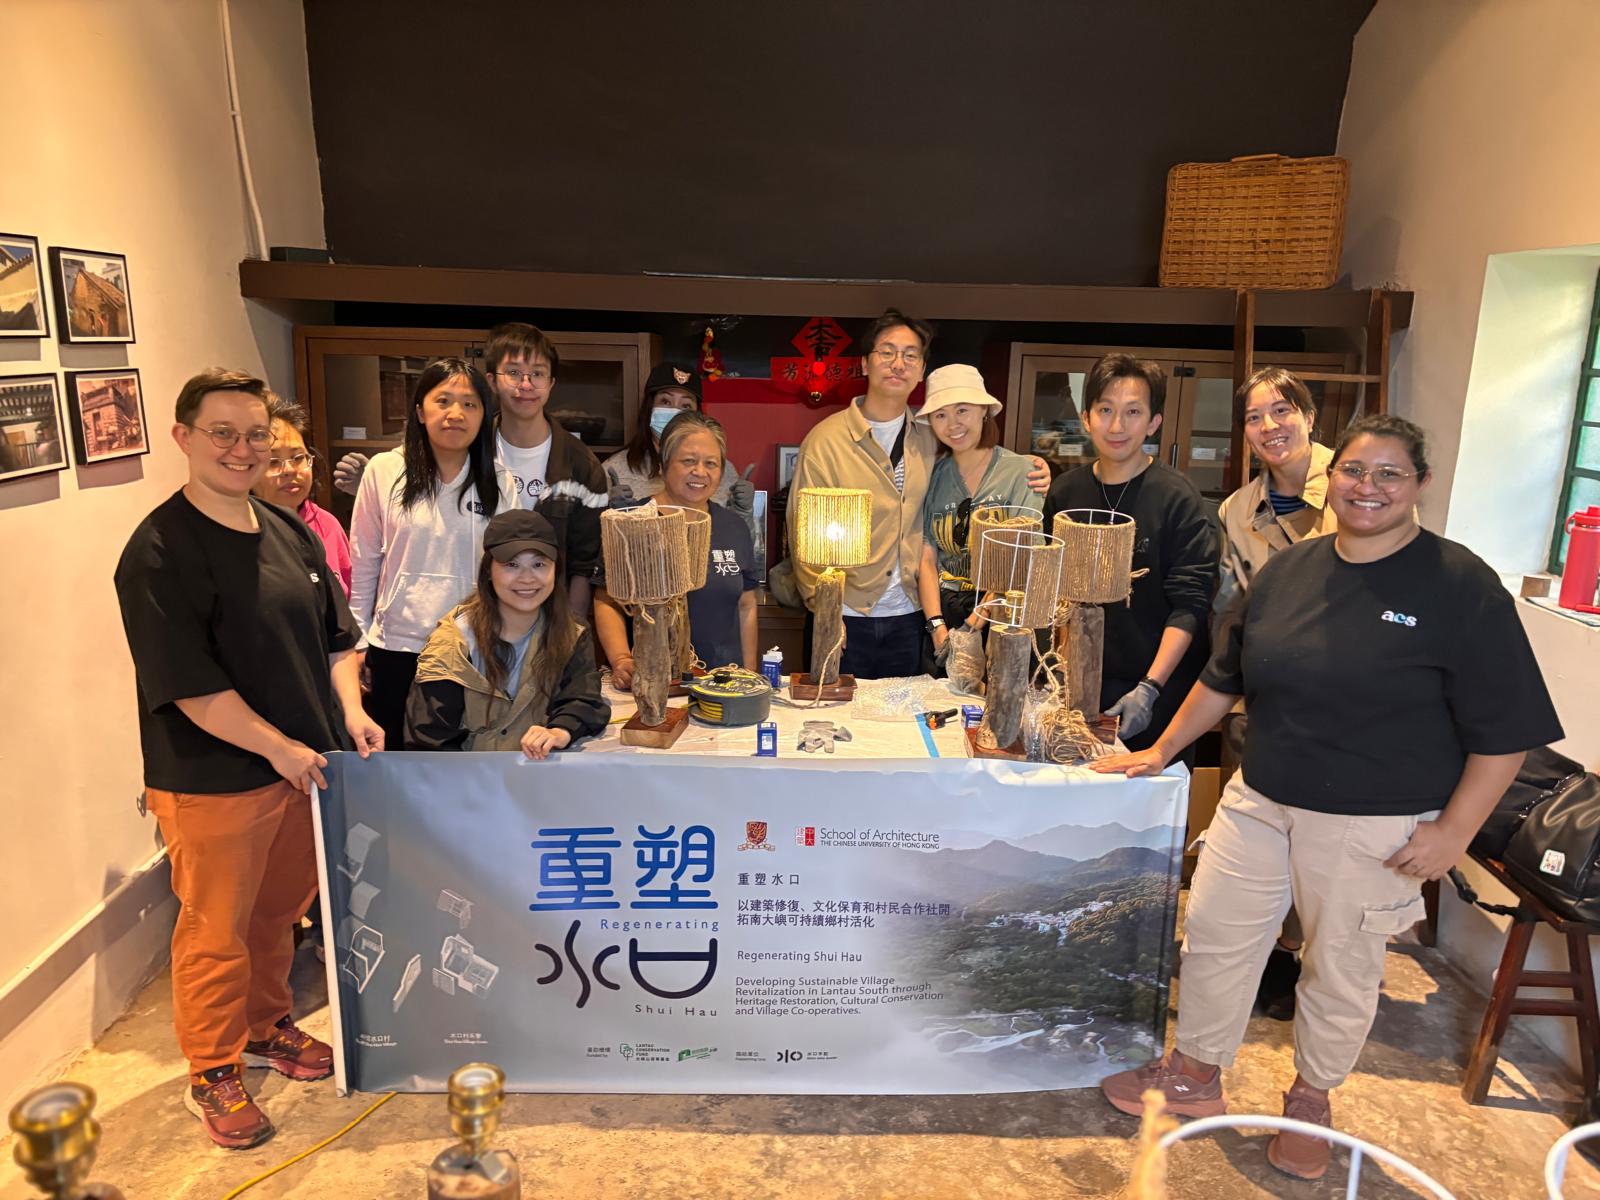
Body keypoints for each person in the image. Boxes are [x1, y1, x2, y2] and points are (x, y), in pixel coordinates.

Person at [1093, 415, 1563, 1181]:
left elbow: (1505, 732)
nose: (1367, 488)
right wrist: (1158, 750)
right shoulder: (1291, 569)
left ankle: (1311, 1100)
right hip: (1260, 797)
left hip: (1372, 820)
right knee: (1214, 934)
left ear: (1420, 486)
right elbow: (1224, 679)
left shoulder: (1459, 586)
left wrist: (1453, 832)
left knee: (1339, 966)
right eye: (1354, 470)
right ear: (1329, 475)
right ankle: (1194, 1074)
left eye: (1388, 475)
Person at [113, 368, 382, 1150]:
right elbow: (193, 690)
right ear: (184, 438)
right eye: (223, 433)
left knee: (279, 917)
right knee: (215, 929)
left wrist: (352, 711)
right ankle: (212, 1068)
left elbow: (338, 638)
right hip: (215, 780)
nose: (242, 448)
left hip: (305, 768)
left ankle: (268, 1026)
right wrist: (282, 748)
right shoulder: (159, 552)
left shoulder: (287, 528)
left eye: (256, 434)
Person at [787, 309, 1049, 679]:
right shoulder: (826, 441)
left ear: (921, 369)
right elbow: (802, 533)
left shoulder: (929, 436)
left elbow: (979, 457)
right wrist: (825, 612)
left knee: (904, 725)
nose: (899, 363)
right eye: (887, 352)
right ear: (865, 363)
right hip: (847, 615)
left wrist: (1035, 467)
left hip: (910, 617)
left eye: (910, 355)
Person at [1216, 366, 1339, 1020]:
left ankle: (1312, 960)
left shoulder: (1357, 482)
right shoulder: (1238, 511)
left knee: (1322, 846)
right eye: (1256, 417)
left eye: (1282, 411)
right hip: (1263, 700)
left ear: (1309, 415)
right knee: (1260, 839)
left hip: (1347, 705)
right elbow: (1235, 609)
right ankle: (1272, 956)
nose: (1270, 426)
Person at [337, 323, 609, 616]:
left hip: (547, 615)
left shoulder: (582, 465)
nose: (526, 384)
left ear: (551, 382)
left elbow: (582, 566)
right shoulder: (464, 442)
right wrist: (374, 488)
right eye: (514, 372)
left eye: (538, 374)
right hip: (471, 617)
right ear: (491, 381)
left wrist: (568, 636)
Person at [1041, 354, 1216, 755]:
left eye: (1133, 412)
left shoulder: (1177, 497)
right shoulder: (1066, 494)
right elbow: (1053, 592)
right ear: (1086, 417)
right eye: (1105, 410)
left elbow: (1190, 604)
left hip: (1155, 692)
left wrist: (1150, 689)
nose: (1117, 426)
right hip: (1077, 690)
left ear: (1154, 422)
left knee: (1147, 812)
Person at [348, 358, 513, 753]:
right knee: (396, 763)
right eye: (443, 401)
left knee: (463, 764)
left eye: (470, 404)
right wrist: (357, 641)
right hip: (398, 647)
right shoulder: (385, 470)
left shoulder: (499, 479)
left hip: (472, 648)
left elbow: (509, 567)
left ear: (483, 416)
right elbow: (364, 559)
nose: (456, 413)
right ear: (421, 411)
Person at [406, 510, 609, 754]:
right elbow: (430, 740)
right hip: (464, 782)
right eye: (511, 565)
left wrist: (559, 731)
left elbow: (584, 698)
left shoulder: (570, 631)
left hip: (539, 777)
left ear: (556, 570)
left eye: (539, 564)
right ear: (488, 572)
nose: (527, 578)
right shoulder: (453, 644)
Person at [595, 412, 760, 684]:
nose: (700, 472)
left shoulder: (733, 525)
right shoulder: (634, 520)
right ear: (663, 465)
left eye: (711, 463)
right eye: (688, 461)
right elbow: (606, 599)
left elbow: (746, 605)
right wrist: (621, 658)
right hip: (651, 681)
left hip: (722, 684)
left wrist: (750, 674)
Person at [916, 364, 1043, 663]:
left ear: (984, 410)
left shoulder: (1021, 472)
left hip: (1003, 616)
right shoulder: (932, 476)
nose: (952, 424)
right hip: (943, 615)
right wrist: (937, 628)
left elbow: (1023, 554)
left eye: (962, 410)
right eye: (940, 415)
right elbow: (926, 556)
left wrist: (976, 622)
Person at [601, 362, 753, 514]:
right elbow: (592, 534)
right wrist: (611, 515)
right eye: (665, 402)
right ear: (649, 408)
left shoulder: (722, 472)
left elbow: (741, 535)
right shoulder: (614, 470)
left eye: (685, 406)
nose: (675, 412)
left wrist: (743, 512)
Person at [252, 394, 353, 596]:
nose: (289, 470)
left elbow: (351, 597)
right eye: (273, 461)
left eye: (298, 458)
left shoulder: (327, 524)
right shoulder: (238, 532)